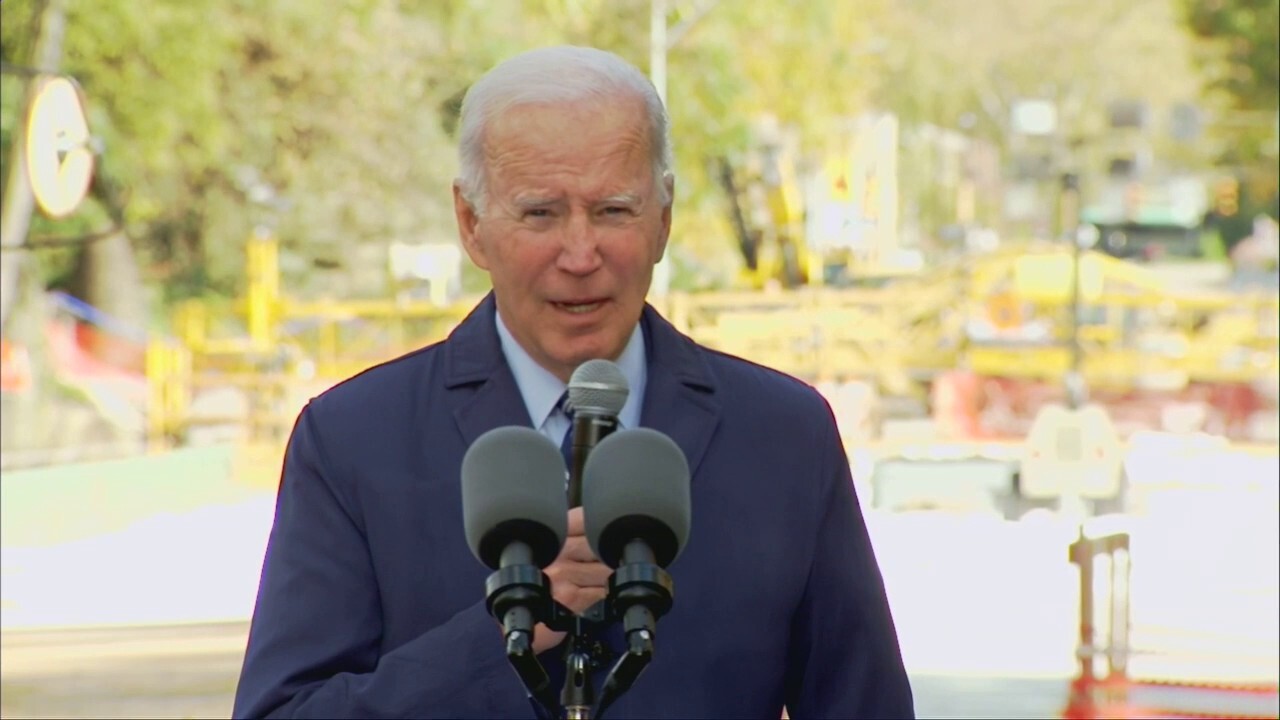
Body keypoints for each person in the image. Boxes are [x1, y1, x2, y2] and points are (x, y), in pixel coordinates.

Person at [233, 45, 913, 719]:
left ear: (664, 218)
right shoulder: (355, 440)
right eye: (540, 214)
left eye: (614, 210)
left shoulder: (784, 435)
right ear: (472, 224)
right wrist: (499, 638)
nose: (581, 255)